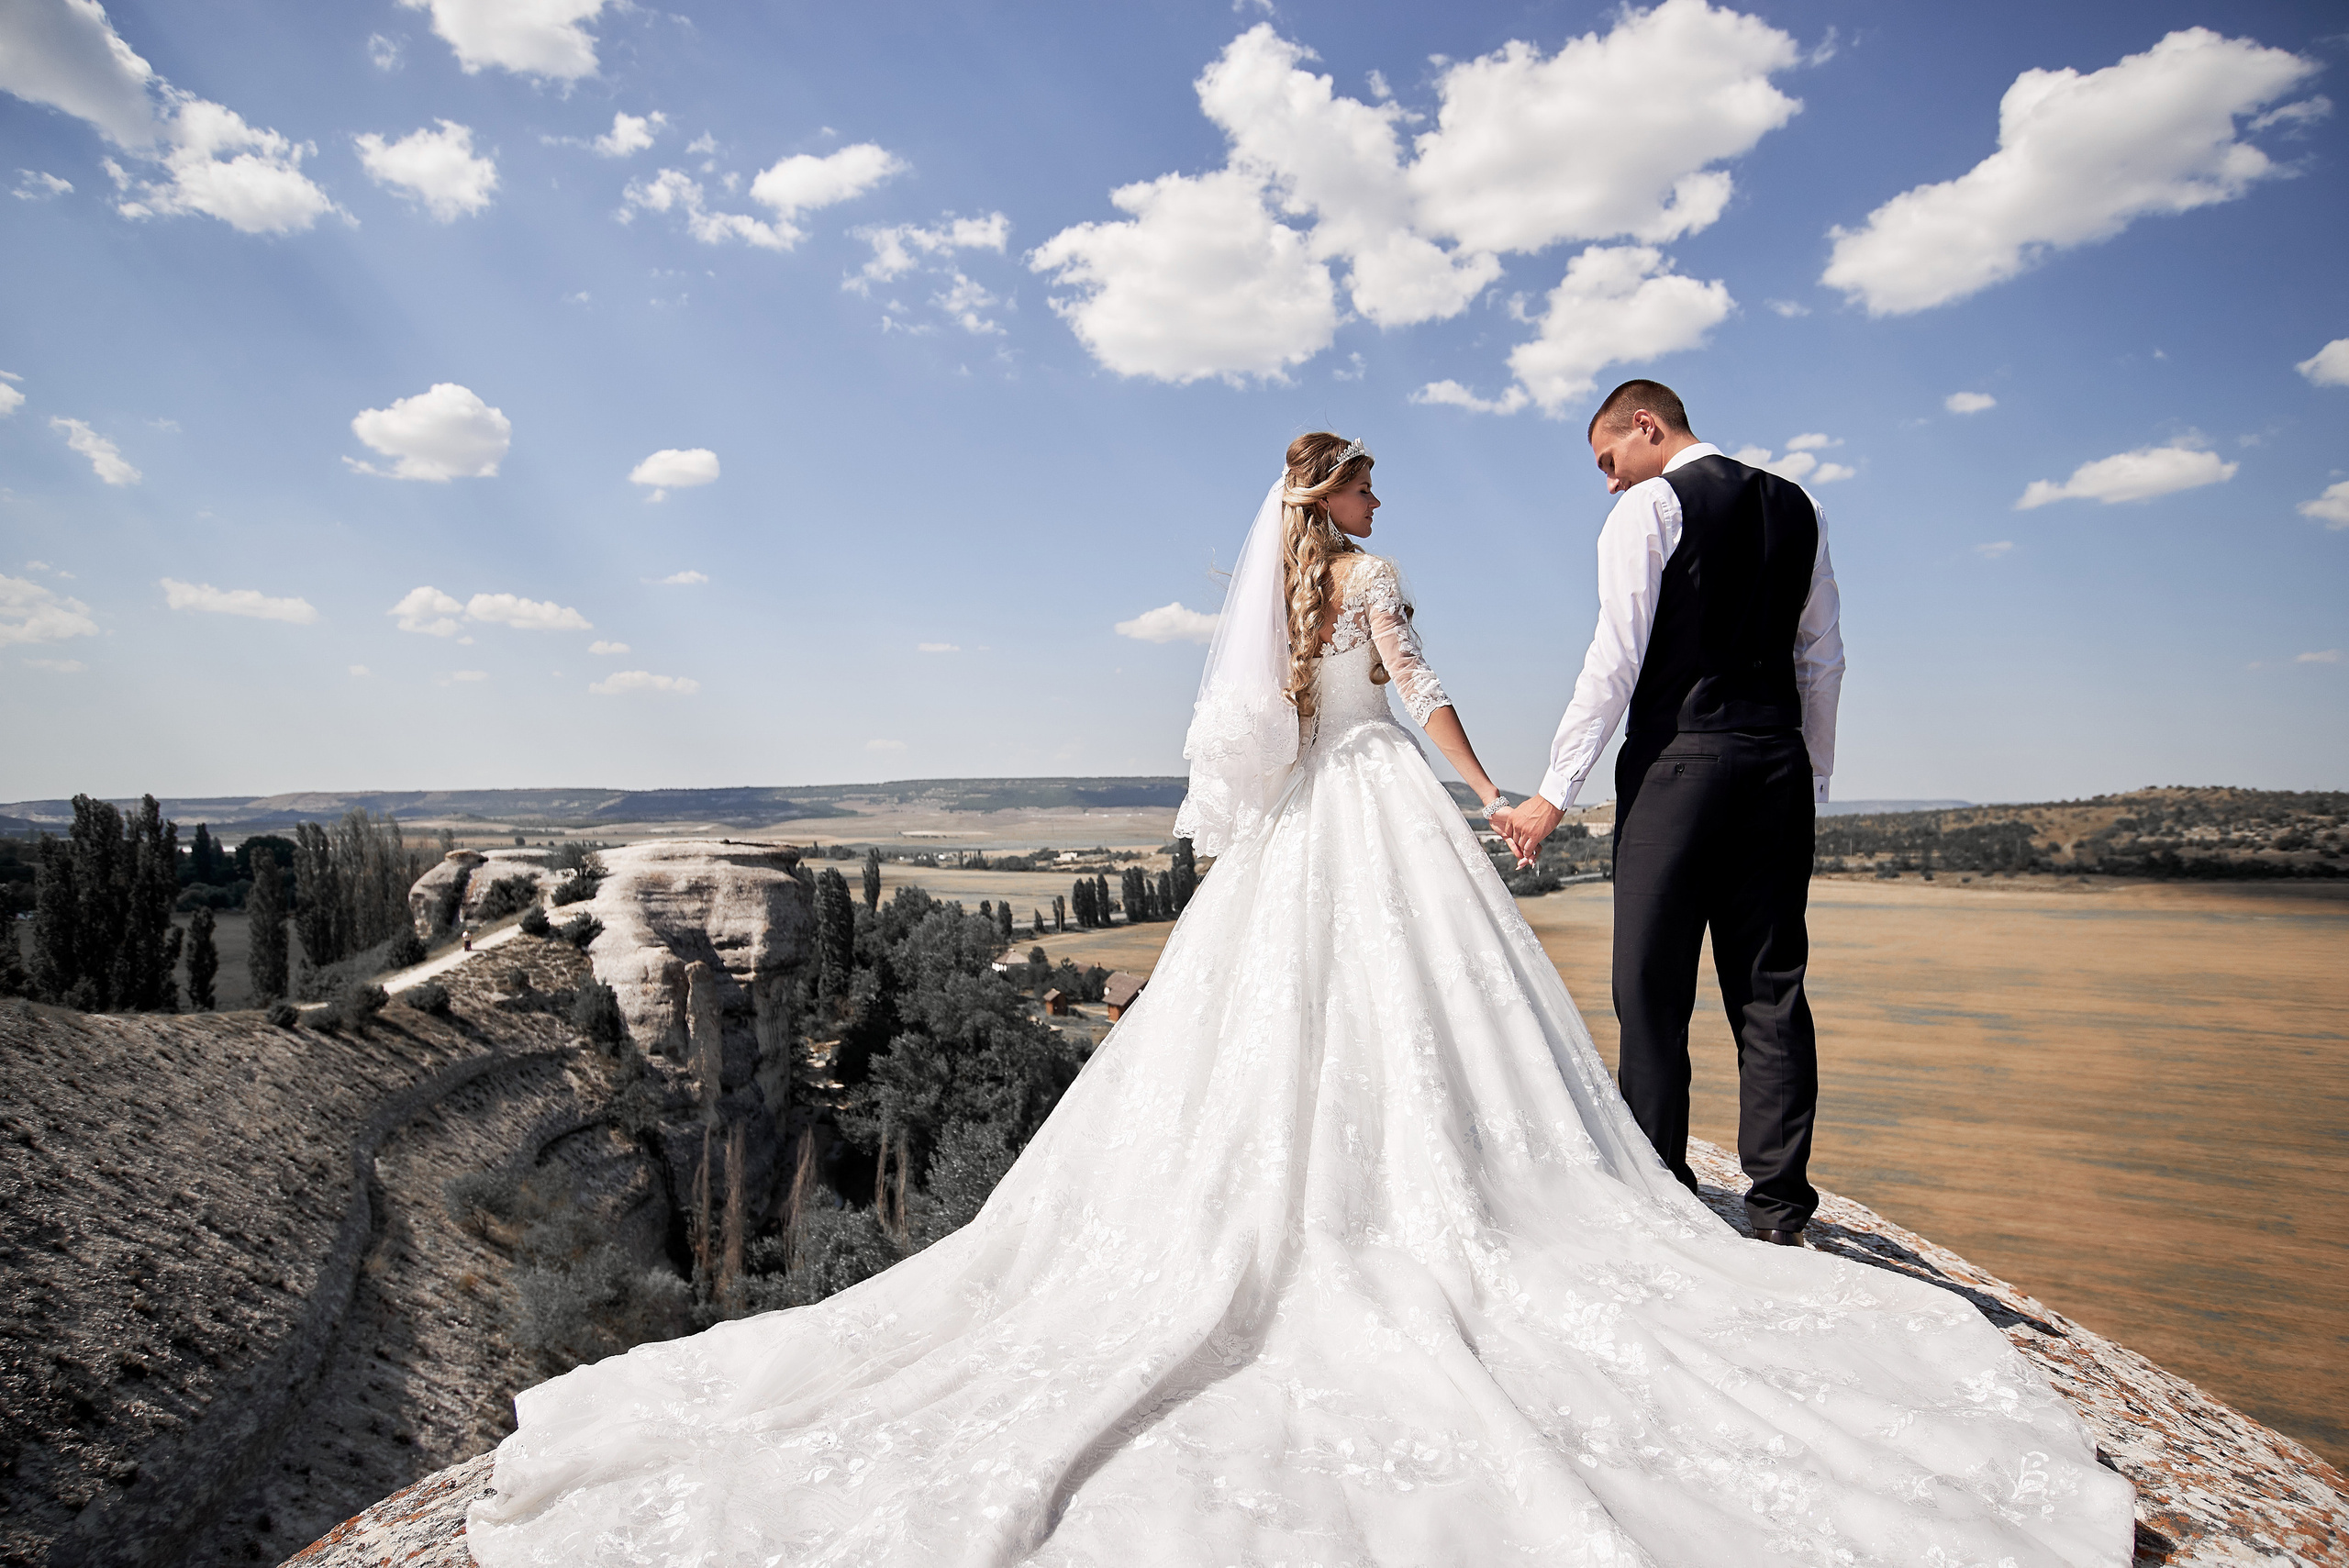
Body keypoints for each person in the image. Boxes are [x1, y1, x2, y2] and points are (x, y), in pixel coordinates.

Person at [468, 435, 2130, 1566]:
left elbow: (1261, 739)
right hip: (1400, 803)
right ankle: (1682, 1195)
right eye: (1368, 476)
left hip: (1298, 828)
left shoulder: (1278, 596)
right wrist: (1497, 792)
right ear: (1334, 492)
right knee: (1487, 1019)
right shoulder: (1378, 574)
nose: (1382, 492)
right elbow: (1416, 690)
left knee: (1273, 1036)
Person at [1495, 380, 1841, 1247]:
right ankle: (1779, 1209)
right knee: (1770, 986)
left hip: (1678, 767)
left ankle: (1659, 1184)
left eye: (1609, 458)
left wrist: (1554, 790)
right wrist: (1809, 776)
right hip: (1777, 767)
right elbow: (1822, 657)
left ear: (1647, 425)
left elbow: (1616, 655)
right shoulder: (1802, 506)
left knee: (1650, 986)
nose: (1610, 479)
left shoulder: (1649, 507)